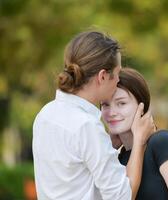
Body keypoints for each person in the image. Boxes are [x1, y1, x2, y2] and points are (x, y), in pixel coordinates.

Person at [32, 31, 155, 200]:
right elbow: (122, 197)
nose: (119, 80)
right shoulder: (86, 125)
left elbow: (74, 177)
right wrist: (140, 142)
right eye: (117, 73)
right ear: (103, 76)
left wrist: (108, 146)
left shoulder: (45, 114)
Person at [101, 68, 168, 200]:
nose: (111, 112)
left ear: (141, 106)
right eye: (105, 104)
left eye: (121, 103)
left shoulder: (160, 142)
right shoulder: (114, 158)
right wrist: (108, 148)